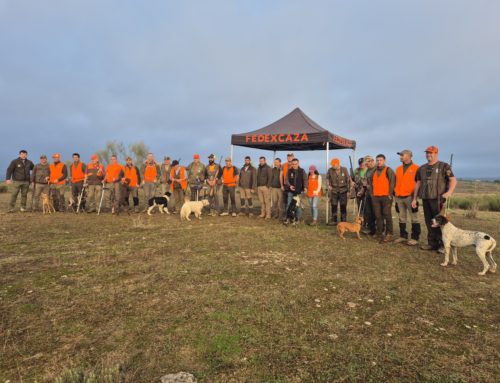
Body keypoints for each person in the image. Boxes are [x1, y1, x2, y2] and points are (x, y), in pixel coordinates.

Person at [412, 146, 457, 252]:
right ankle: (432, 243)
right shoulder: (421, 168)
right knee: (429, 222)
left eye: (431, 153)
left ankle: (443, 245)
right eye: (427, 153)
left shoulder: (444, 166)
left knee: (441, 222)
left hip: (439, 199)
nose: (429, 155)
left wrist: (449, 192)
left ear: (436, 153)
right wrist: (414, 198)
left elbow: (453, 180)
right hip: (426, 199)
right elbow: (418, 184)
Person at [394, 150, 420, 245]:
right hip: (399, 197)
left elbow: (419, 183)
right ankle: (403, 236)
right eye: (400, 155)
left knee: (414, 218)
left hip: (411, 197)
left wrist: (415, 197)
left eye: (402, 155)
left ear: (409, 156)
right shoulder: (398, 168)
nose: (400, 156)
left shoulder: (417, 168)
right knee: (401, 217)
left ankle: (415, 238)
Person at [369, 154, 396, 243]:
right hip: (376, 197)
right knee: (378, 215)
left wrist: (390, 194)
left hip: (386, 197)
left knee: (387, 215)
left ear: (384, 161)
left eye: (380, 160)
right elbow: (370, 183)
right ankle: (379, 232)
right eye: (377, 160)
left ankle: (389, 234)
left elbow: (392, 182)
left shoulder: (388, 170)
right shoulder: (374, 171)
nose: (379, 162)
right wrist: (372, 194)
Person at [326, 158, 350, 225]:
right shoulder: (330, 170)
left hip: (343, 191)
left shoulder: (344, 169)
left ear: (338, 164)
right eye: (332, 165)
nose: (332, 166)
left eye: (334, 165)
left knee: (343, 206)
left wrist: (348, 191)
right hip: (334, 191)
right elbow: (327, 178)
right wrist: (328, 185)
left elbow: (348, 180)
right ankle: (334, 220)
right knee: (334, 206)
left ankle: (343, 221)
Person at [362, 155, 377, 236]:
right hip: (368, 194)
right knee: (369, 213)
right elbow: (366, 182)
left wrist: (368, 186)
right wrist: (362, 190)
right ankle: (372, 230)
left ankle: (379, 230)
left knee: (376, 213)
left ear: (371, 161)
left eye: (367, 163)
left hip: (375, 195)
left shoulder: (377, 169)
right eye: (365, 164)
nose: (366, 165)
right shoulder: (367, 170)